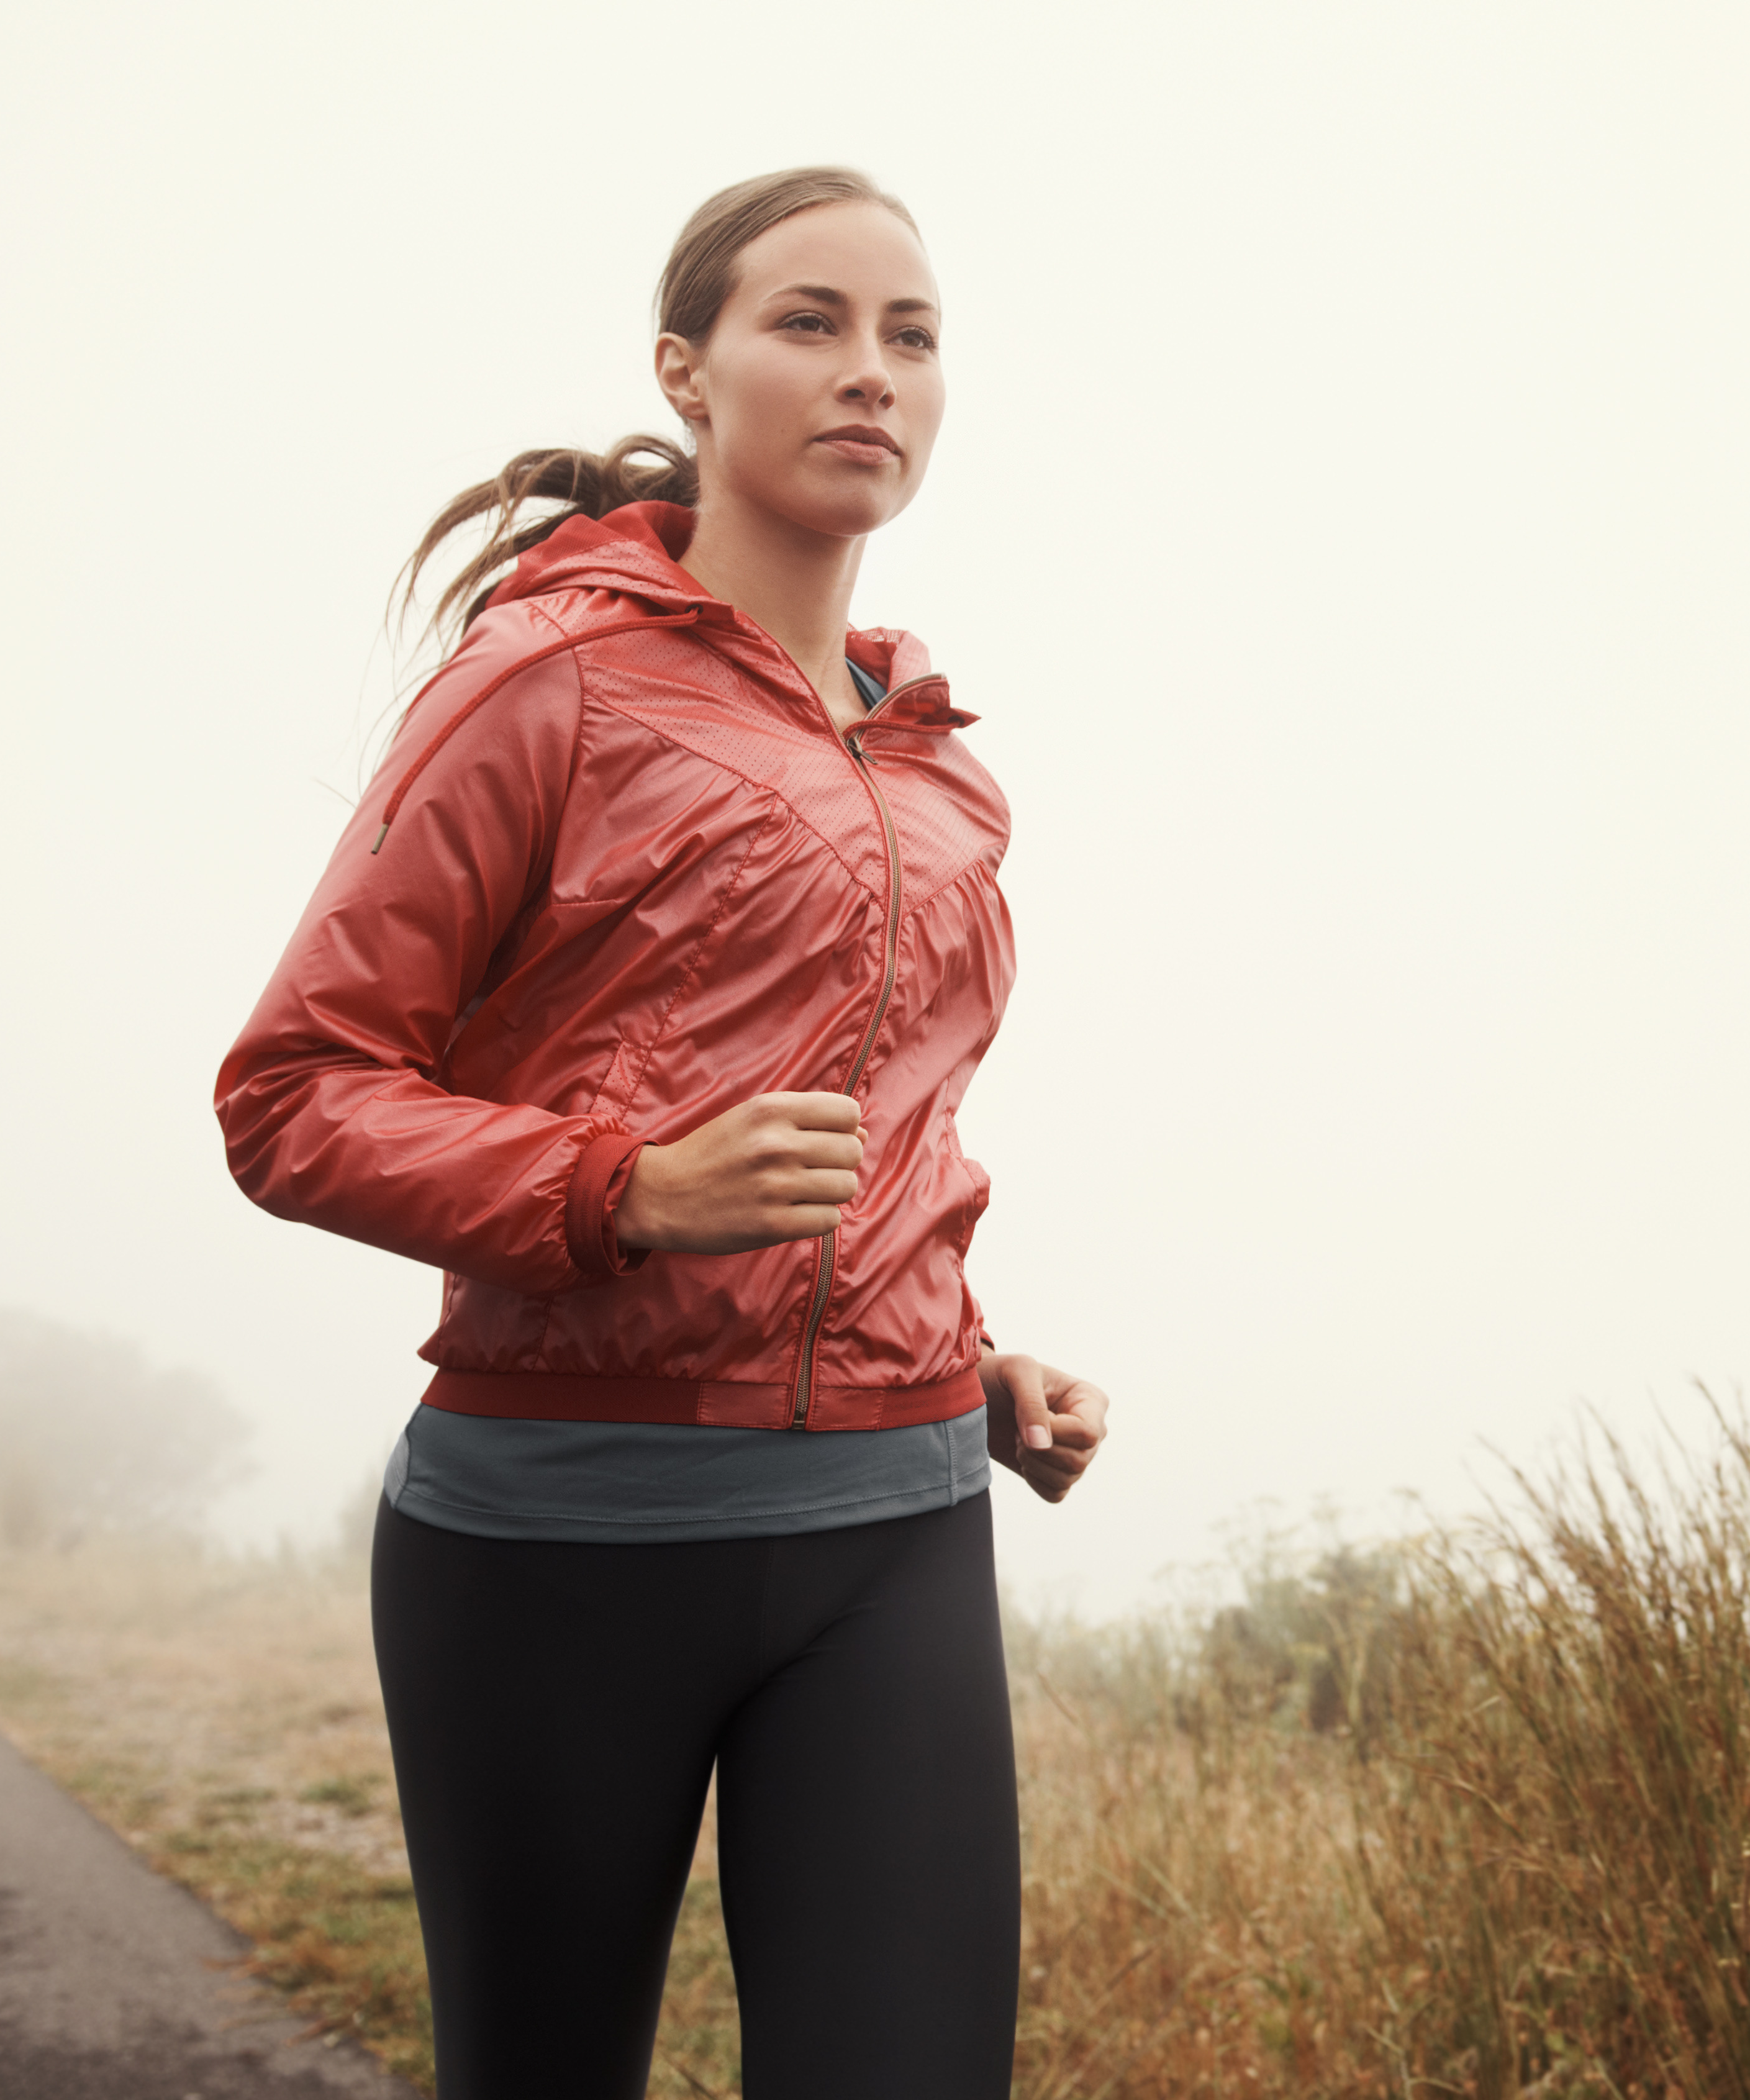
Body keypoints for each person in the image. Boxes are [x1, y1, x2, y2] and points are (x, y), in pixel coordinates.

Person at [215, 166, 1101, 2099]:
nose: (872, 372)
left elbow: (876, 1138)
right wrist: (624, 1194)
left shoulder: (942, 770)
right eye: (811, 322)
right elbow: (292, 1097)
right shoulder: (544, 683)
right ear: (685, 373)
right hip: (560, 1530)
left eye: (913, 336)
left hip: (894, 1526)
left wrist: (958, 1351)